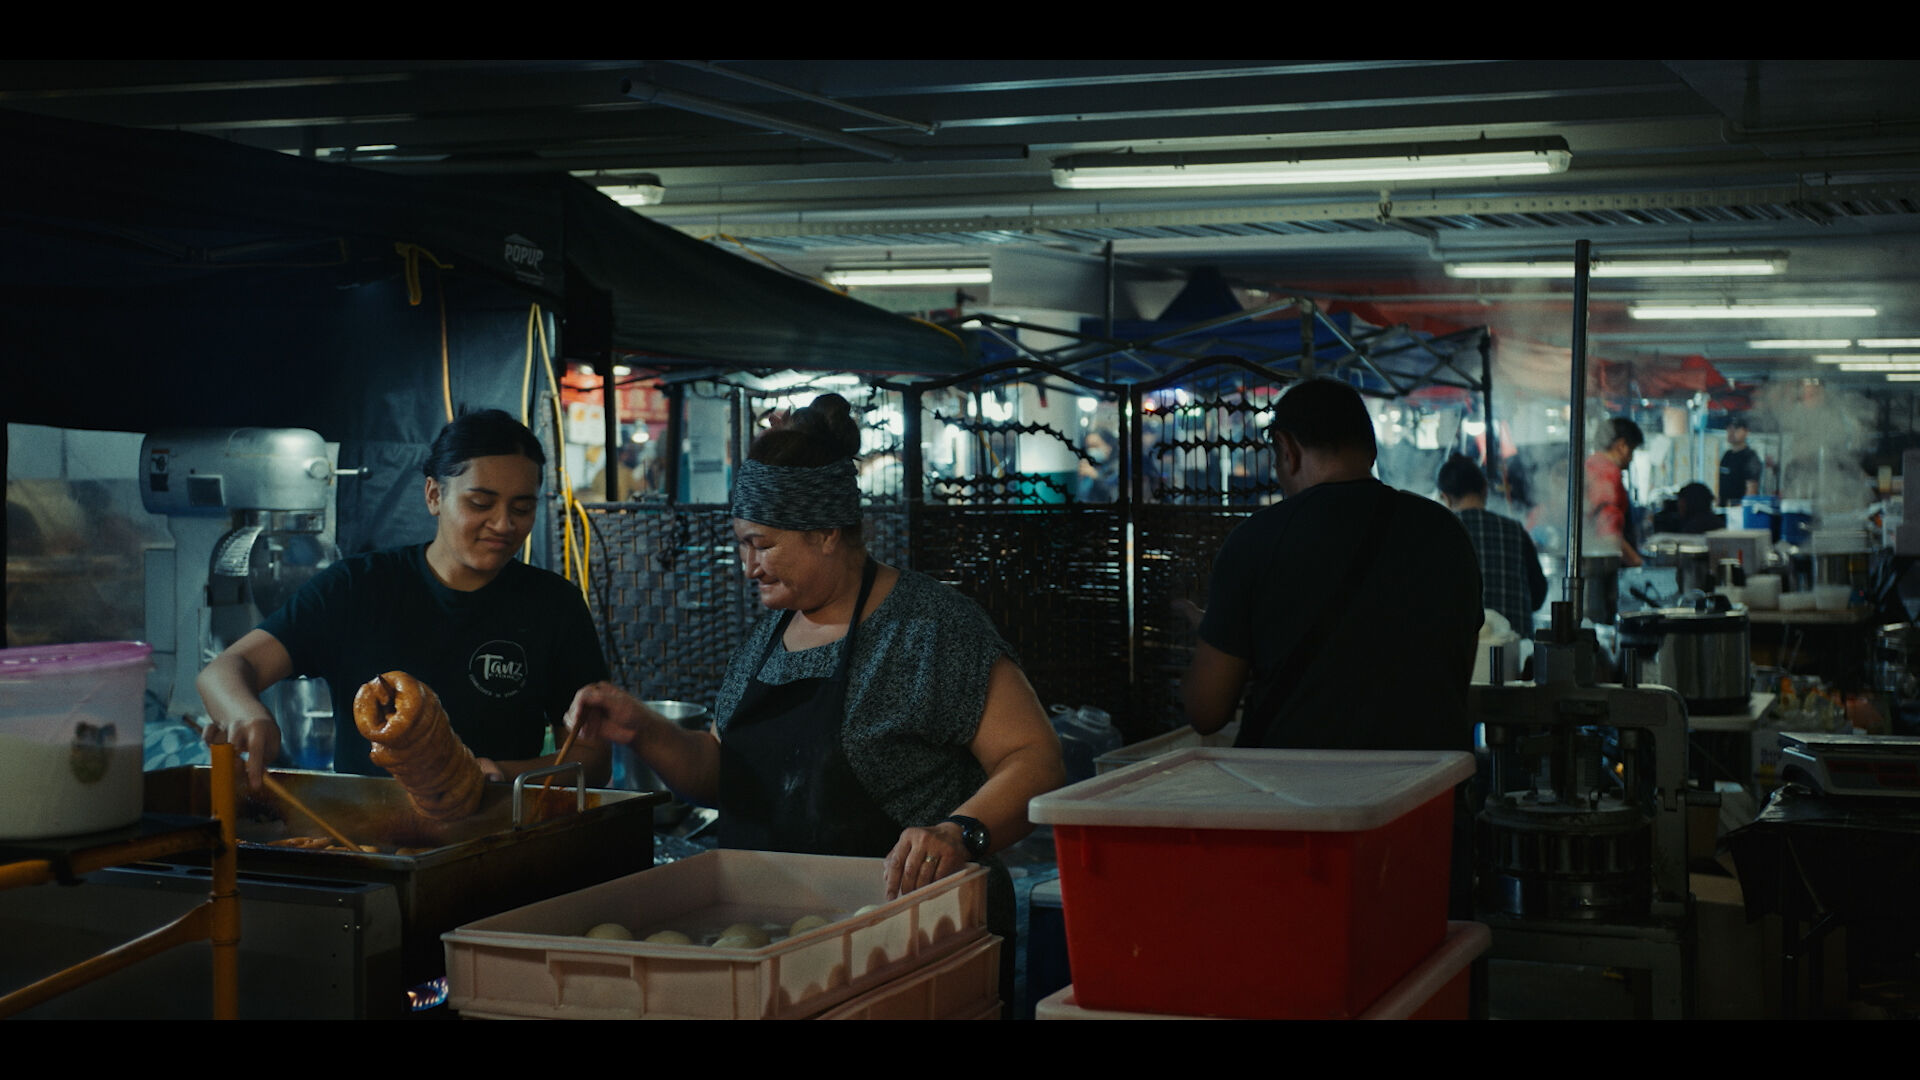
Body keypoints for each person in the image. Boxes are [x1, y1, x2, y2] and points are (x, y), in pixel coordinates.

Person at [566, 394, 1064, 927]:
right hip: (781, 924)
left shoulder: (930, 627)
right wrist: (642, 729)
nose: (748, 567)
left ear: (826, 533)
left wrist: (958, 832)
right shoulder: (768, 637)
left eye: (762, 545)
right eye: (741, 545)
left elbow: (1037, 760)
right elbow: (724, 774)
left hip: (916, 924)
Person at [198, 408, 610, 790]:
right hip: (366, 830)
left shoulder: (554, 606)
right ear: (433, 495)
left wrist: (501, 774)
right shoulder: (357, 587)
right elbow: (225, 670)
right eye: (480, 503)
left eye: (521, 508)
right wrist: (246, 713)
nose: (503, 524)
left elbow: (593, 758)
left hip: (502, 828)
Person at [1182, 378, 1483, 753]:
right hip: (1432, 781)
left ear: (1287, 449)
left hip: (1295, 783)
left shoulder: (1255, 540)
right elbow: (1455, 671)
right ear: (1372, 450)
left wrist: (1214, 637)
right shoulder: (1446, 533)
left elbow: (1207, 711)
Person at [1437, 453, 1549, 638]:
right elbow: (1537, 596)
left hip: (1460, 649)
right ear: (1485, 490)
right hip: (1516, 649)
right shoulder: (1515, 530)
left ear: (1445, 497)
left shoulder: (1439, 532)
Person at [1586, 416, 1644, 569]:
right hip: (1605, 568)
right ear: (1621, 445)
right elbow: (1609, 532)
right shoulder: (1608, 473)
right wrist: (1636, 562)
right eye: (1632, 451)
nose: (1631, 458)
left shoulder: (1590, 465)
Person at [1718, 417, 1762, 507]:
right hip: (1723, 508)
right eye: (1729, 428)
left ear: (1746, 432)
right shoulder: (1727, 455)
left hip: (1738, 509)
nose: (1731, 432)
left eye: (1736, 428)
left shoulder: (1750, 457)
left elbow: (1751, 491)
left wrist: (1740, 509)